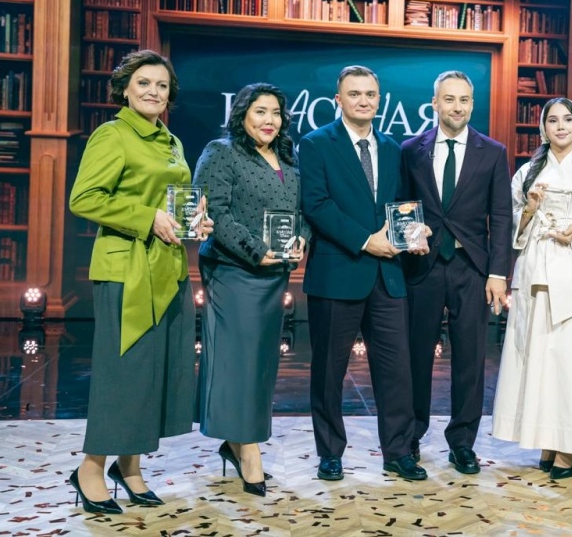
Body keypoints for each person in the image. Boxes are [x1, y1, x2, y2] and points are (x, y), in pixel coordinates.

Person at [69, 49, 212, 514]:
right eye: (144, 83)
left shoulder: (171, 141)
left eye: (162, 85)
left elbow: (172, 201)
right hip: (125, 270)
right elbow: (84, 198)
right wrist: (146, 217)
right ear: (125, 90)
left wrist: (195, 218)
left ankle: (129, 467)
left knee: (153, 375)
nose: (154, 92)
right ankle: (90, 468)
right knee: (124, 374)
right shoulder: (112, 135)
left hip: (168, 268)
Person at [299, 65, 428, 482]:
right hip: (338, 273)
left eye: (370, 94)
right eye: (354, 94)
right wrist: (364, 240)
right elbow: (316, 205)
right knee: (329, 373)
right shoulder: (316, 143)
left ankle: (398, 452)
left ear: (379, 99)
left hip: (388, 275)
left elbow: (400, 204)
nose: (363, 100)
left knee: (396, 372)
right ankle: (330, 453)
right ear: (338, 99)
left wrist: (414, 230)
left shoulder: (392, 148)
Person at [492, 97, 572, 480]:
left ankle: (568, 446)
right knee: (540, 361)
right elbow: (509, 222)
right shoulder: (527, 172)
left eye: (568, 119)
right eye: (553, 120)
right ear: (543, 128)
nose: (561, 126)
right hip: (537, 273)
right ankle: (547, 440)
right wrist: (530, 210)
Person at [193, 83, 310, 497]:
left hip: (274, 274)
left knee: (259, 364)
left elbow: (302, 213)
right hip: (234, 270)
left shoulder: (288, 158)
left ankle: (238, 440)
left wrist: (301, 239)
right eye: (260, 111)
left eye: (276, 113)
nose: (269, 120)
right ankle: (248, 450)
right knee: (237, 361)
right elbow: (215, 213)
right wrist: (256, 251)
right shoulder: (221, 152)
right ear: (242, 115)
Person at [400, 71, 512, 475]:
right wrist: (409, 232)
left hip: (472, 268)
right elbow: (401, 205)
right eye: (449, 99)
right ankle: (410, 435)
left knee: (470, 359)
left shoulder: (493, 152)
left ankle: (462, 442)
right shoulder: (410, 150)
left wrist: (498, 273)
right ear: (435, 103)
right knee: (416, 356)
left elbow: (502, 216)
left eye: (464, 100)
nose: (457, 107)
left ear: (472, 104)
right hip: (423, 266)